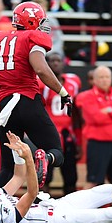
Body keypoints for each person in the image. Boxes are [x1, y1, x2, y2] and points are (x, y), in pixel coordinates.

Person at [0, 1, 73, 188]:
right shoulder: (33, 38)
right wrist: (63, 92)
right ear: (31, 22)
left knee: (7, 167)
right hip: (28, 102)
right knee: (56, 153)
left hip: (6, 107)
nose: (44, 24)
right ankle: (44, 159)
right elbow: (41, 70)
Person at [76, 65, 112, 189]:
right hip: (98, 144)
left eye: (107, 77)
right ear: (94, 80)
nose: (104, 80)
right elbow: (94, 117)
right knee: (93, 182)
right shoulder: (88, 96)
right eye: (101, 77)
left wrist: (110, 111)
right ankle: (88, 208)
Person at [38, 52, 82, 195]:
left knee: (70, 177)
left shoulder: (73, 82)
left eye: (59, 60)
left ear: (64, 63)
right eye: (52, 61)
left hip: (67, 133)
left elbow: (76, 113)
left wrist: (79, 140)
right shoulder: (41, 84)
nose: (56, 63)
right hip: (48, 134)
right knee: (45, 176)